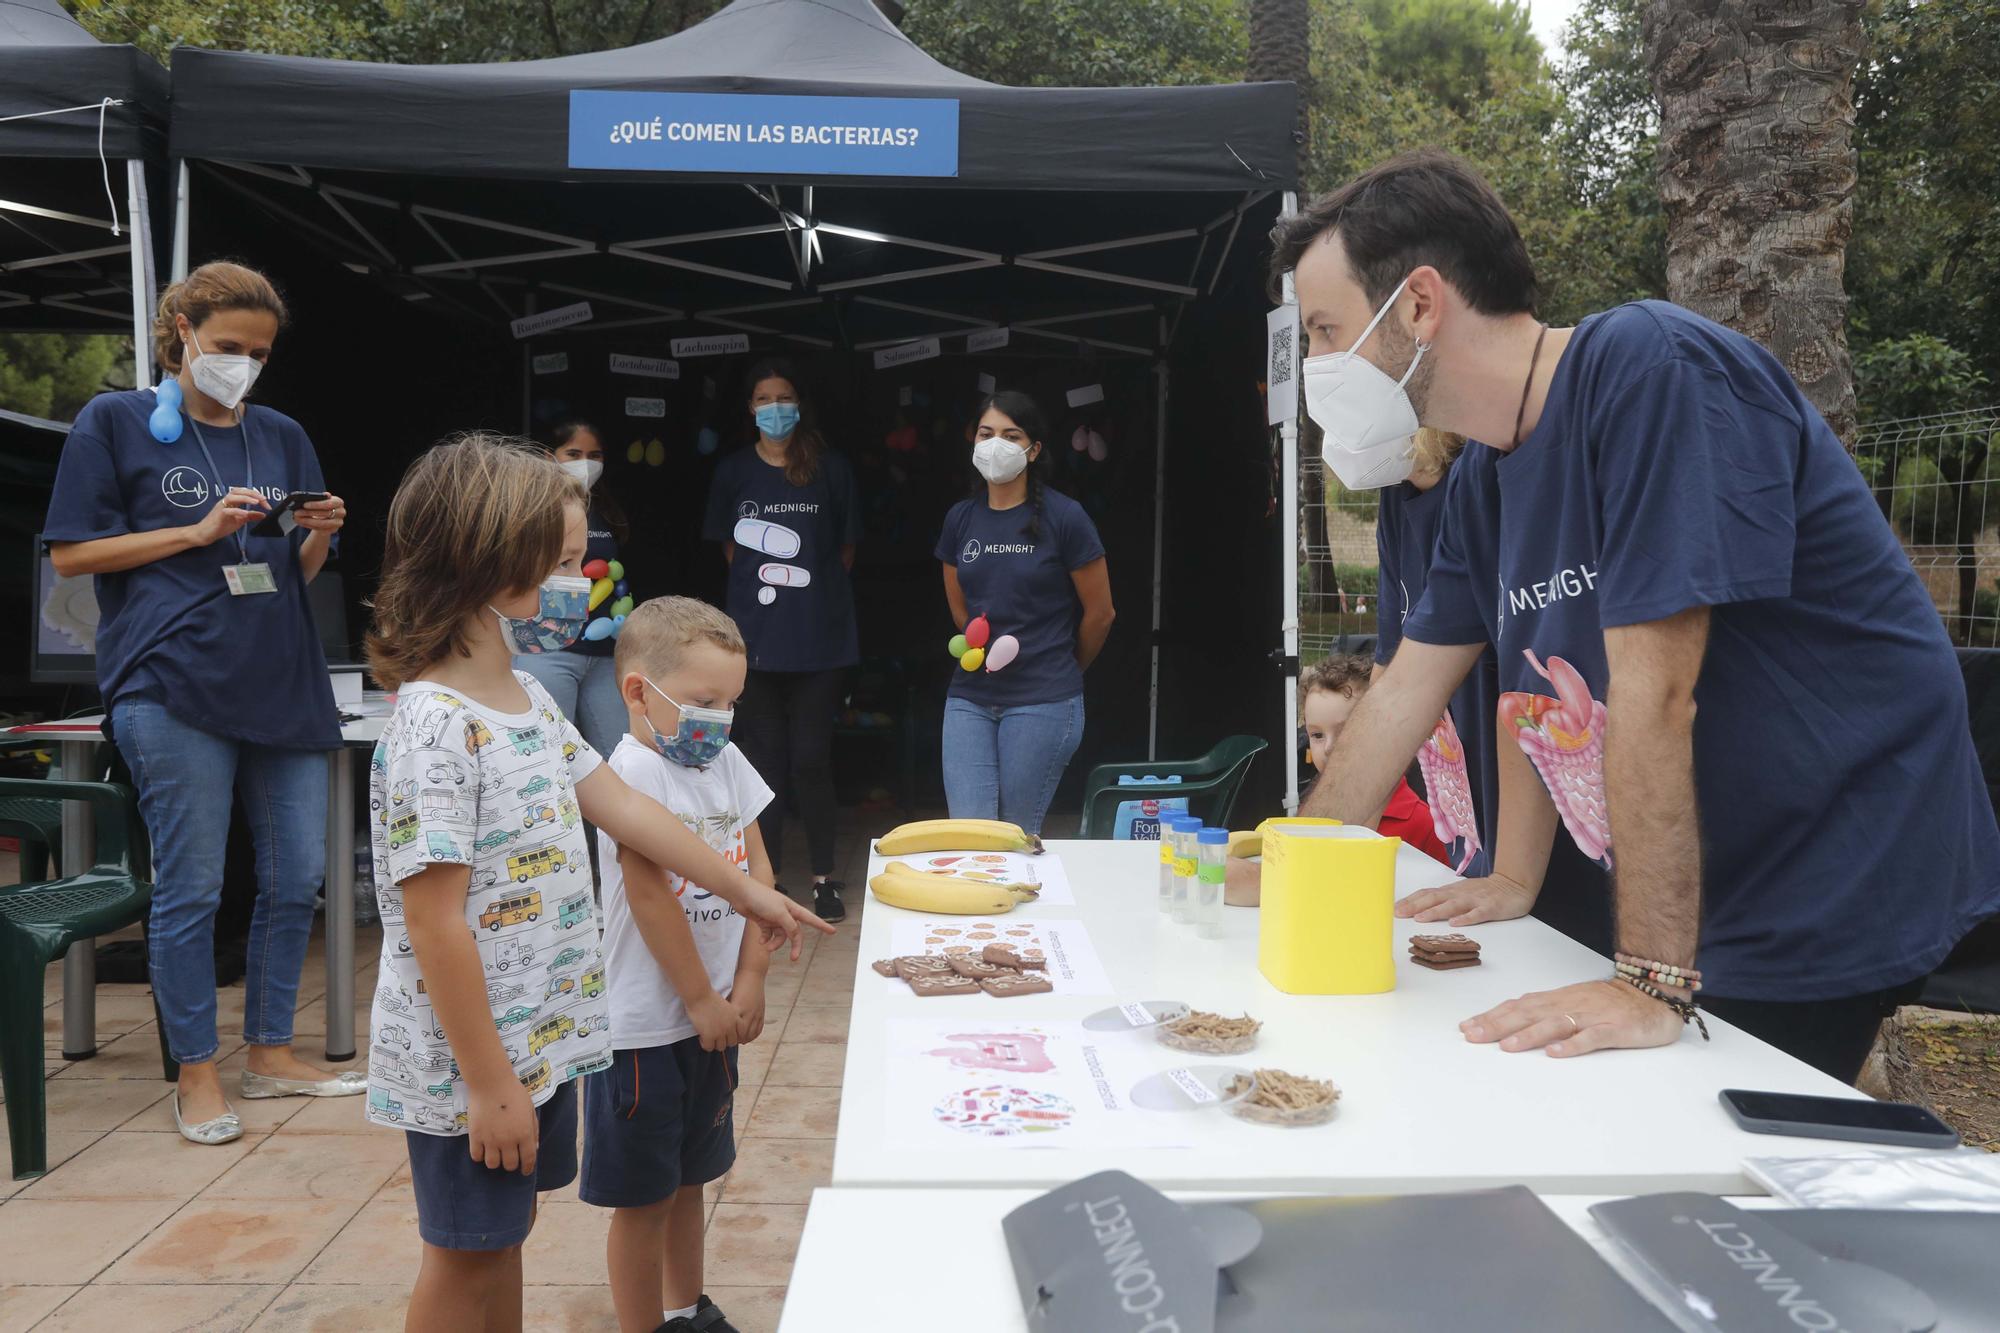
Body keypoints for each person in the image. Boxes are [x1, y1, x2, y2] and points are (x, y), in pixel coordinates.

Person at [1273, 149, 2000, 1080]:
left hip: (1830, 860)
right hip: (1723, 871)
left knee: (1711, 1168)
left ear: (1419, 304)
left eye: (1329, 330)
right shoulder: (1484, 480)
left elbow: (1657, 696)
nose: (1320, 367)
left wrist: (1651, 981)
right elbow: (1405, 688)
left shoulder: (1649, 367)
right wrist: (1293, 863)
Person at [362, 435, 830, 1333]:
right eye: (566, 562)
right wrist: (490, 1084)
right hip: (474, 1063)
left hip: (535, 1045)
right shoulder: (435, 726)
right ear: (487, 563)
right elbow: (436, 926)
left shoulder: (530, 705)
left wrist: (749, 894)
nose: (583, 580)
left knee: (502, 1237)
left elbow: (627, 811)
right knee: (463, 1256)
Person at [43, 260, 360, 1144]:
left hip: (282, 678)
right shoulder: (113, 421)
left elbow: (287, 578)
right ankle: (195, 1069)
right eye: (227, 347)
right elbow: (71, 556)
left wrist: (316, 537)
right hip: (171, 678)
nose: (244, 364)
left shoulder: (283, 432)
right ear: (181, 328)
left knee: (297, 873)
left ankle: (269, 1051)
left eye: (259, 352)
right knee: (192, 886)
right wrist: (196, 529)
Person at [581, 597, 771, 1333]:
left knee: (692, 1176)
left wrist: (748, 978)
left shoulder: (727, 761)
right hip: (645, 1028)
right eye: (703, 701)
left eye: (731, 702)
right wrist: (698, 998)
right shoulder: (629, 777)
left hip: (712, 1017)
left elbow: (758, 869)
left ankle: (686, 1308)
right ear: (638, 691)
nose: (720, 719)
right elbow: (649, 893)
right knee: (644, 1198)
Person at [1372, 428, 1613, 953]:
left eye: (1327, 338)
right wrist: (1323, 845)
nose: (1319, 367)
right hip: (1486, 834)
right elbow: (1392, 680)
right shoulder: (1398, 499)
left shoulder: (1488, 475)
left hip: (1567, 845)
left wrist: (1514, 874)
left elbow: (1522, 685)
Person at [702, 360, 861, 923]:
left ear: (800, 404)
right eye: (764, 398)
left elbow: (843, 552)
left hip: (820, 640)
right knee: (763, 762)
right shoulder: (733, 472)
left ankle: (824, 878)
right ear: (750, 408)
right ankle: (764, 878)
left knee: (812, 761)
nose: (775, 407)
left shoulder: (831, 470)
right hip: (755, 643)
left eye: (785, 396)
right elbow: (731, 552)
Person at [935, 391, 1115, 836]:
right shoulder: (960, 518)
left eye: (1011, 435)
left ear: (1033, 450)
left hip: (1044, 699)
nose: (996, 444)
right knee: (971, 834)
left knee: (1014, 834)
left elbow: (1101, 613)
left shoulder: (1066, 517)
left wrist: (1067, 669)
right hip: (970, 697)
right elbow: (960, 608)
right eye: (986, 433)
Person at [1226, 654, 1448, 905]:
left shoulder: (1422, 823)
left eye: (1346, 731)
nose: (1330, 747)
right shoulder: (1315, 814)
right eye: (1317, 735)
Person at [512, 421, 630, 761]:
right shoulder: (530, 510)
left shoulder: (604, 509)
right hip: (550, 647)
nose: (585, 463)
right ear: (551, 457)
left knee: (617, 757)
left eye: (594, 455)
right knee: (548, 755)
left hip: (605, 651)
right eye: (574, 454)